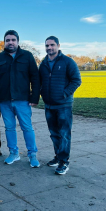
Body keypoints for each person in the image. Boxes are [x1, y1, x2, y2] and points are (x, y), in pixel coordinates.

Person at [0, 30, 40, 167]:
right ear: (4, 42)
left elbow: (35, 77)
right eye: (7, 40)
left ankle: (32, 154)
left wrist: (35, 97)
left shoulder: (27, 56)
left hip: (23, 100)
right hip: (4, 101)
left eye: (13, 40)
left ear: (18, 41)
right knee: (9, 128)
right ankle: (13, 153)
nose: (10, 42)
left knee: (27, 128)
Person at [39, 36, 82, 175]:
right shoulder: (43, 63)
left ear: (58, 45)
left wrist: (64, 94)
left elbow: (76, 80)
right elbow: (40, 81)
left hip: (63, 105)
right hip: (49, 105)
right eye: (47, 45)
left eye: (52, 45)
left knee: (64, 134)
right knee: (54, 134)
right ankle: (58, 157)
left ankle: (64, 162)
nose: (49, 48)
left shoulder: (67, 61)